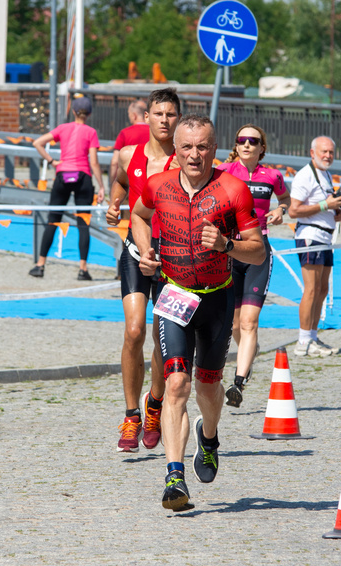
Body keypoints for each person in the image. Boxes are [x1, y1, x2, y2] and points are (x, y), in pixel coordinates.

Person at [131, 114, 265, 510]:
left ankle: (209, 437)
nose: (194, 155)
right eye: (187, 146)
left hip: (217, 299)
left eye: (202, 146)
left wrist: (226, 244)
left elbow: (257, 249)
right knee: (176, 384)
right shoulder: (158, 186)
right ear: (176, 148)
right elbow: (138, 215)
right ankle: (174, 477)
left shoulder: (233, 189)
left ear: (214, 148)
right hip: (174, 296)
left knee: (208, 388)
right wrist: (145, 250)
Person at [106, 88, 181, 453]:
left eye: (170, 114)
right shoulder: (128, 154)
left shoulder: (184, 162)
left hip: (173, 260)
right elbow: (122, 182)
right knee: (133, 330)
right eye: (158, 113)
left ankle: (155, 404)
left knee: (159, 337)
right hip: (136, 252)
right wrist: (114, 203)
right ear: (146, 117)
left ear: (177, 119)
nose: (164, 120)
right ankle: (132, 414)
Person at [216, 125, 290, 407]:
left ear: (262, 147)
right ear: (236, 145)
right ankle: (251, 349)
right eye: (241, 140)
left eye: (253, 141)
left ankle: (238, 382)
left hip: (258, 252)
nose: (247, 144)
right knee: (234, 323)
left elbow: (285, 199)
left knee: (249, 322)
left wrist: (280, 210)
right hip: (230, 250)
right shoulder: (223, 171)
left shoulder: (272, 176)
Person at [30, 95, 106, 280]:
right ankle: (83, 269)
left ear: (73, 111)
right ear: (89, 114)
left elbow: (37, 143)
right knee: (83, 223)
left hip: (63, 175)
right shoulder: (91, 132)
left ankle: (40, 265)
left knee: (53, 220)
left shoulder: (63, 128)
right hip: (83, 177)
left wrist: (52, 161)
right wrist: (102, 186)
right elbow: (94, 162)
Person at [288, 136, 341, 357]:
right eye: (324, 151)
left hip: (326, 237)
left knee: (322, 290)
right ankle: (303, 341)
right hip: (310, 237)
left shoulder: (326, 174)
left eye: (331, 152)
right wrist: (324, 205)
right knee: (311, 289)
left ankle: (312, 336)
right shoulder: (304, 175)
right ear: (312, 153)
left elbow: (322, 206)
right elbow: (293, 211)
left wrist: (334, 211)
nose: (328, 155)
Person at [108, 99, 149, 187]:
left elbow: (115, 161)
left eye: (129, 114)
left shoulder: (125, 133)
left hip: (129, 183)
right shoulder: (155, 133)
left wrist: (112, 183)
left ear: (134, 115)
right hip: (150, 182)